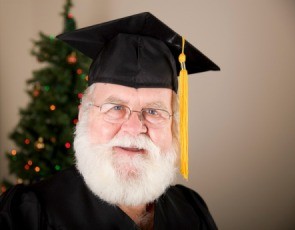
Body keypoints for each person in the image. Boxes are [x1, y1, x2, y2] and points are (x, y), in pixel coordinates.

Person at [0, 12, 220, 229]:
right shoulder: (30, 213)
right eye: (116, 107)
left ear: (174, 124)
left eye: (154, 111)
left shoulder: (191, 210)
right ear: (84, 114)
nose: (134, 129)